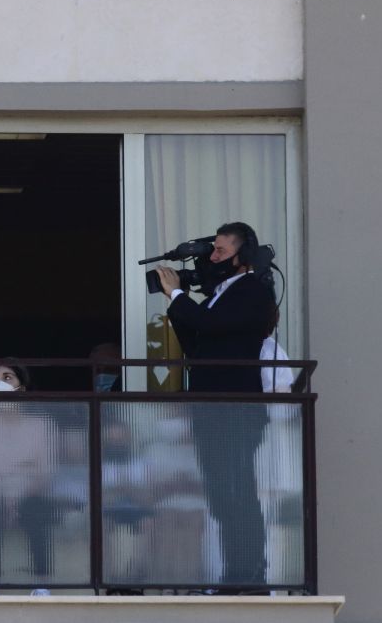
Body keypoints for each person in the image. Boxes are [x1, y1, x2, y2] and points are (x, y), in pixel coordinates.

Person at [154, 222, 275, 588]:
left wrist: (177, 296)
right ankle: (235, 571)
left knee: (237, 492)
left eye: (221, 251)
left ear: (243, 256)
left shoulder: (251, 289)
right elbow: (198, 344)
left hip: (235, 407)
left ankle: (248, 573)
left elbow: (210, 324)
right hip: (212, 407)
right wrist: (178, 302)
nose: (213, 257)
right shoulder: (218, 294)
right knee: (222, 494)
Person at [0, 363, 58, 592]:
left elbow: (45, 471)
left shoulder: (40, 425)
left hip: (30, 491)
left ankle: (41, 583)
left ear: (21, 389)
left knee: (37, 510)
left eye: (8, 377)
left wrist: (19, 500)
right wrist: (3, 500)